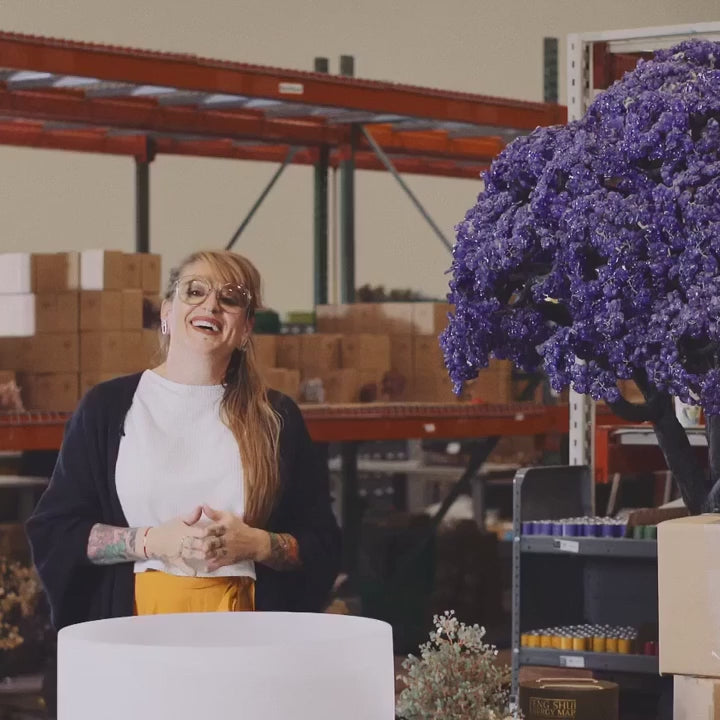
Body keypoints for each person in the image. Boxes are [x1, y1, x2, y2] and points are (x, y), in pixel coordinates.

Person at [27, 249, 341, 629]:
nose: (211, 305)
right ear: (166, 312)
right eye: (195, 291)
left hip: (247, 634)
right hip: (134, 632)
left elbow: (322, 542)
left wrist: (256, 543)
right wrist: (153, 541)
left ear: (245, 329)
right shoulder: (106, 409)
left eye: (230, 298)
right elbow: (57, 531)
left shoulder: (276, 418)